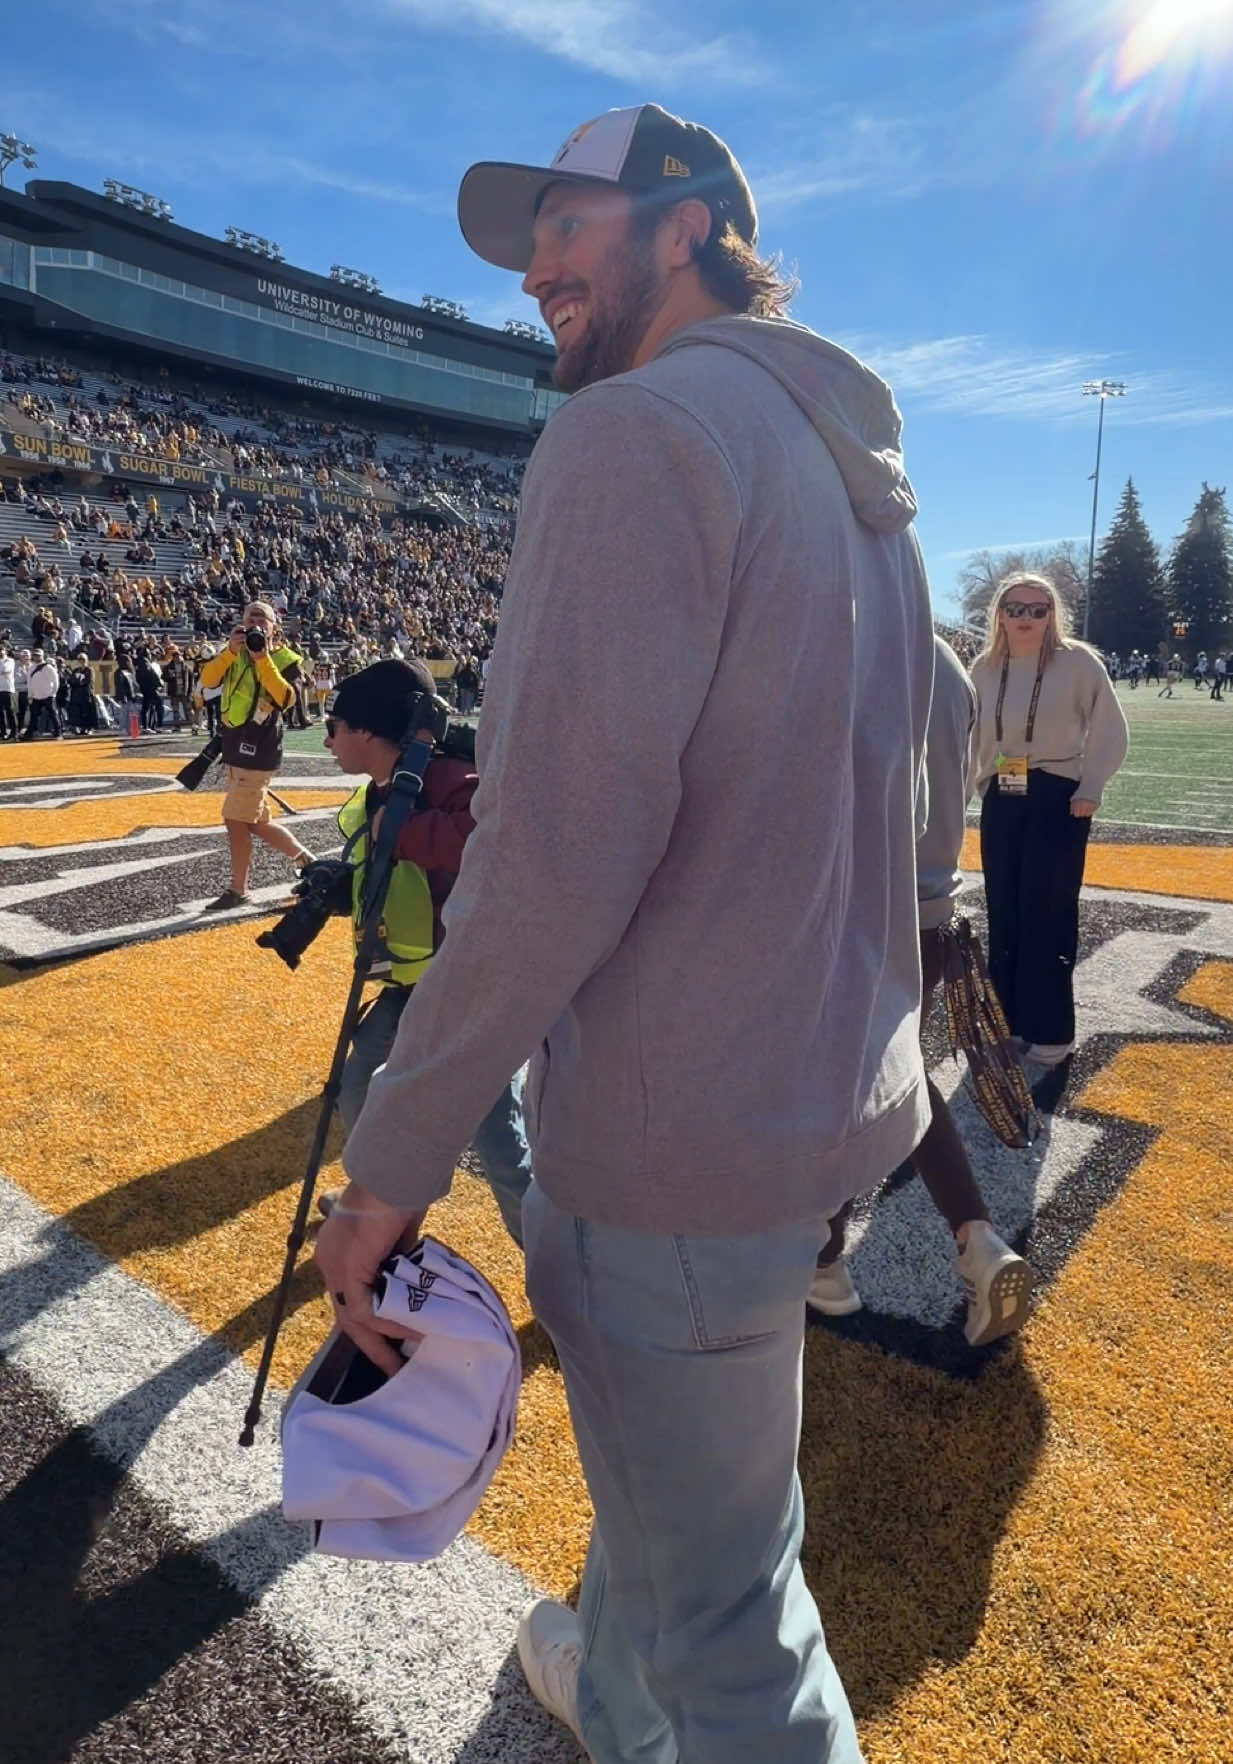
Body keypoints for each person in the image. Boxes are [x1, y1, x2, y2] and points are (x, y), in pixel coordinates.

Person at [316, 102, 934, 1764]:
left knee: (741, 1628)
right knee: (701, 1507)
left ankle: (651, 1679)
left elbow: (552, 854)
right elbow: (923, 761)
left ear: (681, 224)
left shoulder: (632, 436)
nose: (532, 269)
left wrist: (387, 1166)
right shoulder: (852, 465)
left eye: (564, 222)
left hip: (676, 1145)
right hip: (809, 1107)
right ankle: (612, 1672)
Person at [809, 635, 1034, 1343]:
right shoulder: (945, 659)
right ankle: (958, 1242)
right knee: (880, 1072)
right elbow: (966, 773)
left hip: (853, 906)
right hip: (932, 905)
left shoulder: (834, 633)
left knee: (838, 1082)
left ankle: (824, 1260)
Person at [307, 659, 532, 1247]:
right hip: (412, 980)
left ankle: (554, 1270)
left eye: (334, 727)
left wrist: (402, 834)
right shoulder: (382, 788)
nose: (327, 740)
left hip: (469, 987)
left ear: (365, 732)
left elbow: (492, 844)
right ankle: (382, 1204)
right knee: (358, 1083)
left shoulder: (454, 778)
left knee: (499, 1142)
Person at [970, 571, 1129, 1088]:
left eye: (1038, 609)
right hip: (1006, 789)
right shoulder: (984, 666)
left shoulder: (1078, 662)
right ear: (999, 612)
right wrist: (981, 783)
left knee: (1048, 910)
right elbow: (973, 734)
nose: (1026, 619)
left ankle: (1051, 1030)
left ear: (1052, 614)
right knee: (1005, 908)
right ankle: (1009, 1024)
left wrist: (1091, 785)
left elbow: (1109, 725)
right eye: (1015, 608)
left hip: (1060, 793)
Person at [197, 600, 314, 911]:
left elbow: (287, 698)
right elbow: (208, 681)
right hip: (235, 747)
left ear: (274, 628)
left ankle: (238, 889)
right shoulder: (232, 654)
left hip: (259, 749)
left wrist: (263, 658)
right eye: (250, 617)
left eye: (263, 617)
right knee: (256, 821)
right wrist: (230, 653)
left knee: (234, 819)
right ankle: (308, 861)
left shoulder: (286, 659)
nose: (255, 622)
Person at [22, 648, 61, 739]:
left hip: (48, 695)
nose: (36, 657)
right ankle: (29, 734)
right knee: (34, 716)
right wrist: (30, 695)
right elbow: (29, 682)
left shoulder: (48, 667)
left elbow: (55, 681)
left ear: (42, 656)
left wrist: (53, 694)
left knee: (53, 715)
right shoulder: (31, 667)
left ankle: (58, 733)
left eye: (38, 655)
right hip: (36, 696)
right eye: (35, 655)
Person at [0, 645, 17, 740]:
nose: (0, 652)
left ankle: (14, 732)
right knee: (0, 713)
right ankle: (3, 732)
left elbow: (5, 670)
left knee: (10, 712)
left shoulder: (9, 661)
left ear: (5, 651)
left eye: (2, 650)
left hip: (7, 689)